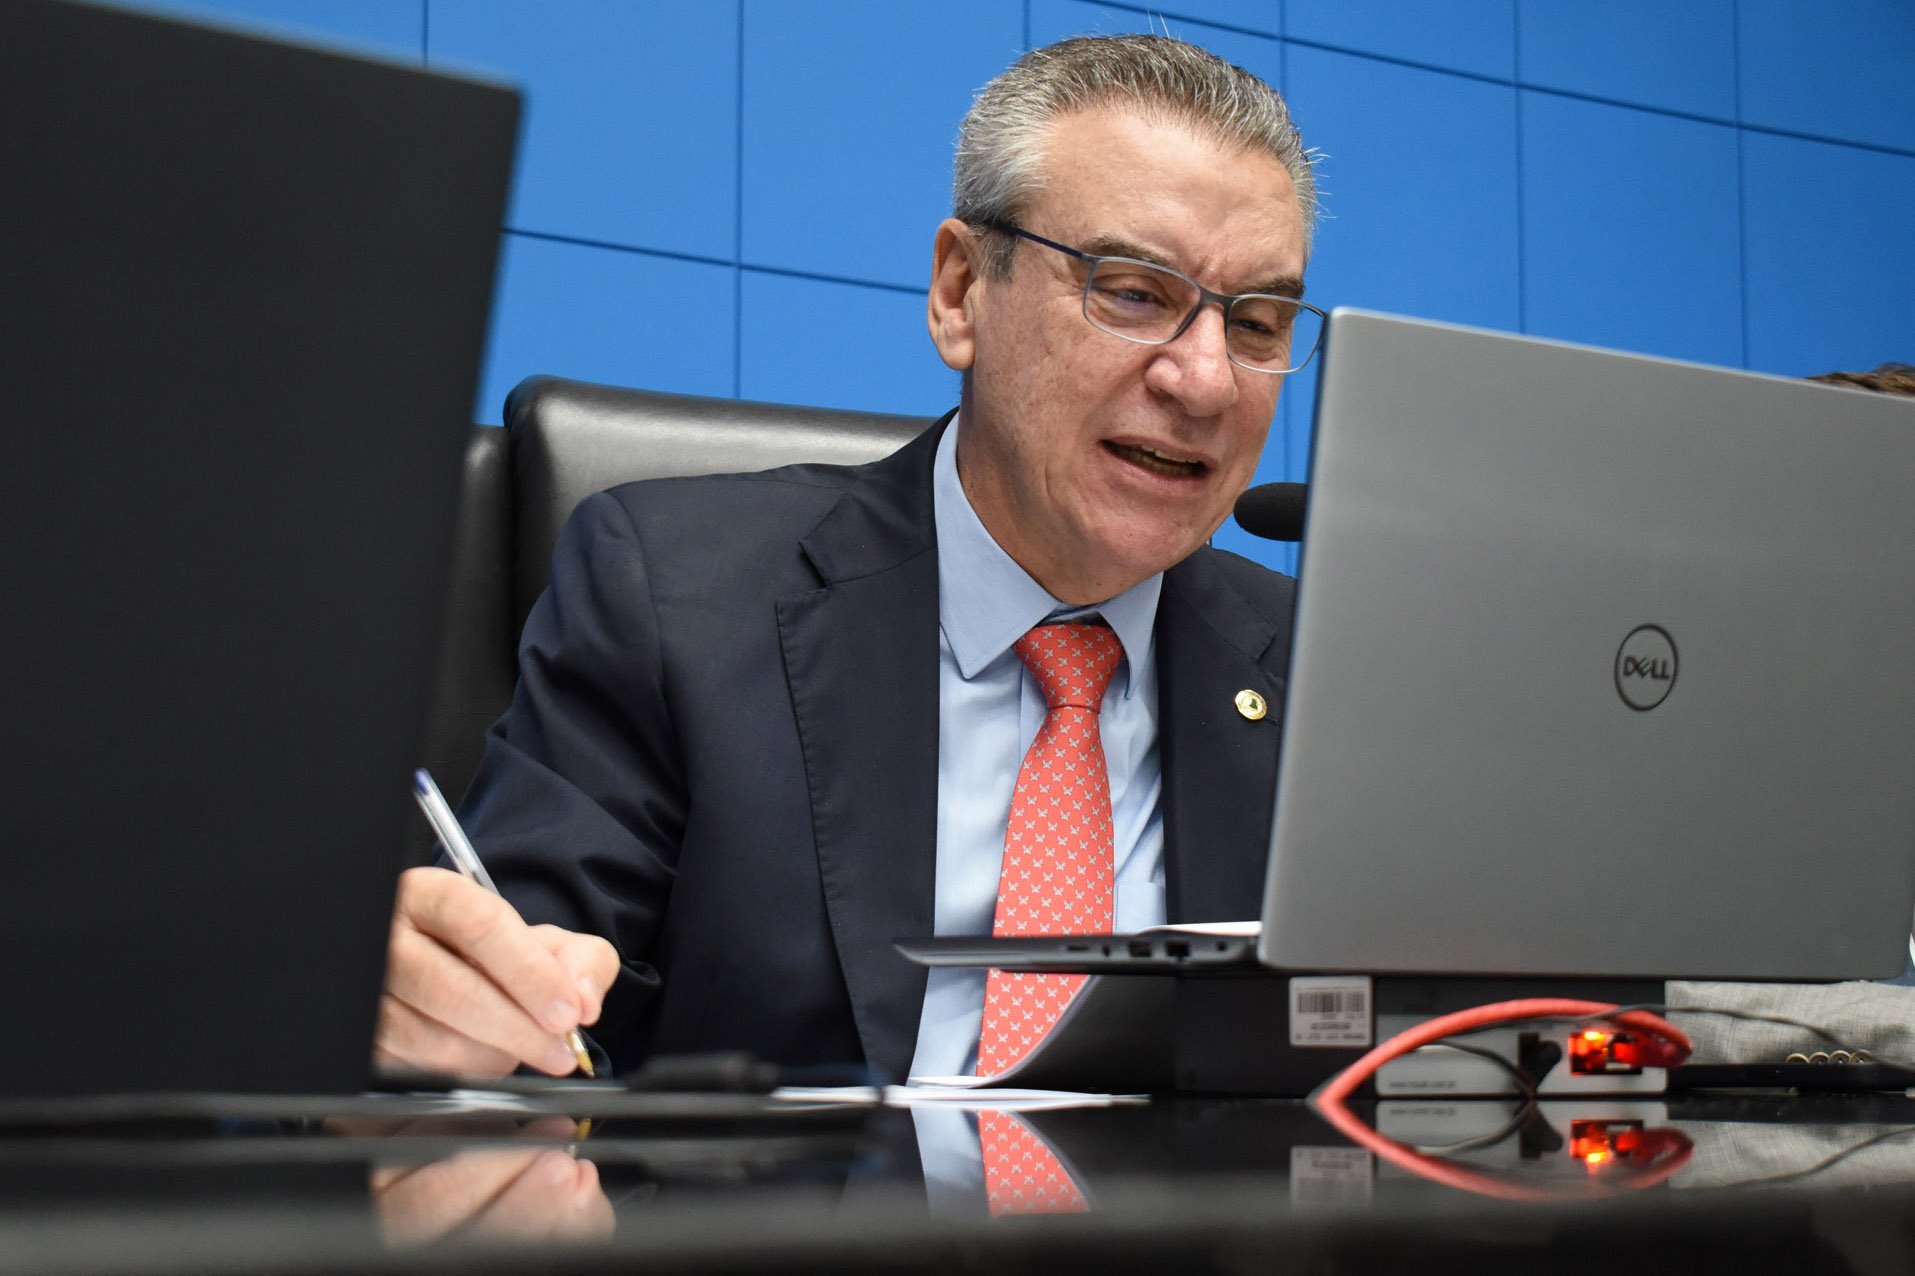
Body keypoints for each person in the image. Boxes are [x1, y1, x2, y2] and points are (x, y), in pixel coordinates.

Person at [375, 34, 1321, 1084]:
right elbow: (509, 1032)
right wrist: (448, 1020)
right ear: (961, 292)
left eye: (1256, 323)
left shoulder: (1323, 677)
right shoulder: (669, 600)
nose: (1206, 381)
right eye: (1133, 293)